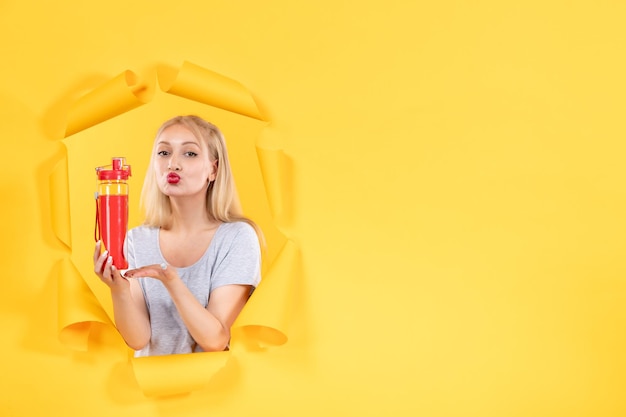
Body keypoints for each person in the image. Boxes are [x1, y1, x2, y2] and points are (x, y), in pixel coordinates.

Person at [93, 115, 262, 356]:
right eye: (163, 153)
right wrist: (118, 289)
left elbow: (215, 339)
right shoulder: (137, 239)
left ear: (213, 169)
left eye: (190, 153)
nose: (173, 164)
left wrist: (171, 281)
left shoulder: (237, 238)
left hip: (216, 388)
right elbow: (138, 339)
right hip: (151, 387)